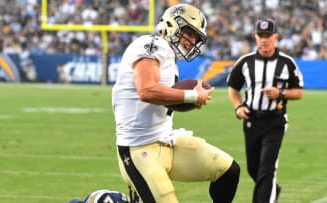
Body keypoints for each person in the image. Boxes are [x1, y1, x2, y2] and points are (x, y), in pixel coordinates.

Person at [112, 4, 240, 203]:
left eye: (196, 38)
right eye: (189, 33)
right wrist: (191, 96)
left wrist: (187, 99)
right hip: (139, 151)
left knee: (227, 171)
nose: (192, 41)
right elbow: (146, 90)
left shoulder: (168, 55)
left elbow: (163, 100)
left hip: (167, 142)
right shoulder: (150, 45)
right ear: (172, 24)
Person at [227, 18, 304, 203]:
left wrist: (281, 93)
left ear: (275, 37)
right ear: (255, 38)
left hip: (275, 121)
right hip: (252, 120)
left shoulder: (287, 63)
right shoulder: (245, 62)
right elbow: (233, 87)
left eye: (268, 36)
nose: (264, 40)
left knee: (266, 170)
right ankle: (272, 190)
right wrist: (238, 107)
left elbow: (299, 92)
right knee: (254, 169)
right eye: (260, 36)